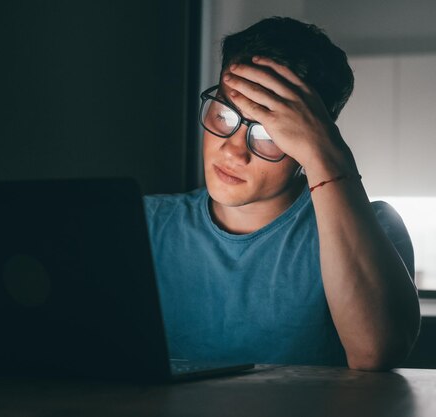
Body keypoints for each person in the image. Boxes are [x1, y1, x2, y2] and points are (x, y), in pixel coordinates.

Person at [144, 16, 420, 371]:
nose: (233, 151)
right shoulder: (144, 225)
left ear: (308, 140)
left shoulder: (373, 228)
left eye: (267, 135)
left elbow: (376, 353)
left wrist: (327, 155)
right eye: (224, 116)